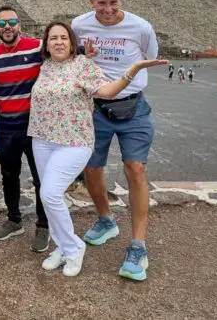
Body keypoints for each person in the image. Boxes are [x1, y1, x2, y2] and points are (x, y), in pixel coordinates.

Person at [29, 21, 166, 277]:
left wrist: (133, 69)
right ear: (46, 44)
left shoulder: (83, 65)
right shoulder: (45, 66)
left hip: (74, 142)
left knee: (49, 194)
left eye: (63, 38)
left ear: (72, 42)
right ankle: (61, 246)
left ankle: (73, 247)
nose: (58, 42)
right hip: (42, 139)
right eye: (53, 38)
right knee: (49, 197)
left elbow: (107, 91)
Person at [71, 0, 160, 282]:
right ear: (91, 1)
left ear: (121, 0)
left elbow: (148, 57)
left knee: (135, 169)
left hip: (132, 105)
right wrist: (86, 54)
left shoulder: (141, 27)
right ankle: (106, 219)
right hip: (95, 106)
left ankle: (138, 245)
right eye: (101, 2)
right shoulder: (79, 25)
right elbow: (73, 56)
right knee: (92, 168)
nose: (108, 9)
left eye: (113, 2)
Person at [0, 6, 50, 252]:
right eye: (2, 24)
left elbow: (65, 51)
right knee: (9, 175)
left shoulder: (37, 47)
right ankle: (14, 219)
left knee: (40, 178)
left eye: (12, 22)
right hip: (6, 124)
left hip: (35, 125)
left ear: (20, 24)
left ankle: (43, 225)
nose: (7, 27)